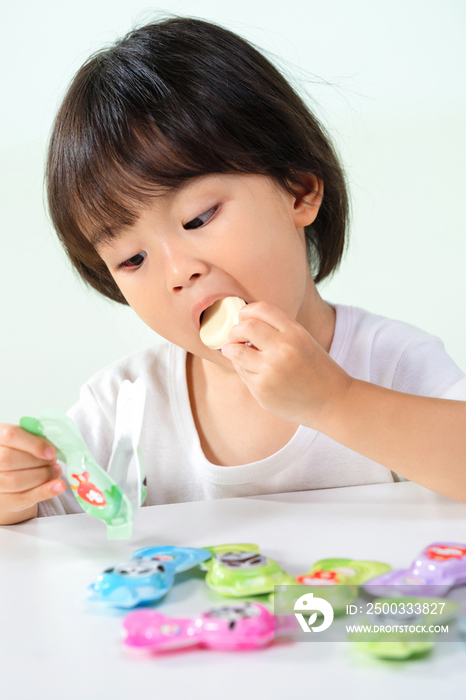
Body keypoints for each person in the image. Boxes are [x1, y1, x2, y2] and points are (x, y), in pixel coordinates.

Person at [1, 17, 465, 526]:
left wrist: (337, 401)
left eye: (198, 218)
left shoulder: (390, 363)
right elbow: (46, 518)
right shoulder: (124, 407)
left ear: (299, 190)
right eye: (133, 260)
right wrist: (16, 493)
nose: (179, 272)